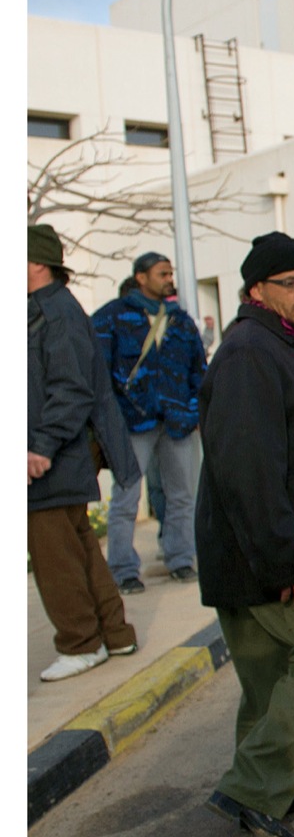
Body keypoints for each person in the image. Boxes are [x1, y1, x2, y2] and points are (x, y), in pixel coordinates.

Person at [197, 232, 294, 837]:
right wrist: (280, 557)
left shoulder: (282, 346)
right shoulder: (248, 353)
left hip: (251, 553)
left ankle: (271, 786)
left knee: (266, 677)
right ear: (255, 289)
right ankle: (252, 785)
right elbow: (245, 465)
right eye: (290, 283)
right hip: (261, 553)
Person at [28, 224, 141, 681]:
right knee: (80, 552)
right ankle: (115, 634)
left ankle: (80, 643)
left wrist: (39, 446)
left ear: (36, 263)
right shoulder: (46, 308)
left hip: (53, 456)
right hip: (61, 454)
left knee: (55, 557)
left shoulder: (54, 312)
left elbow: (71, 388)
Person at [93, 250, 207, 593]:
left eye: (170, 273)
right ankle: (124, 569)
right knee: (127, 498)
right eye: (162, 273)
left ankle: (181, 559)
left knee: (182, 496)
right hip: (131, 422)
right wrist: (110, 418)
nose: (169, 279)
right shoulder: (111, 317)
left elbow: (198, 370)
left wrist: (193, 411)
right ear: (141, 277)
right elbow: (99, 372)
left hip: (178, 422)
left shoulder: (181, 320)